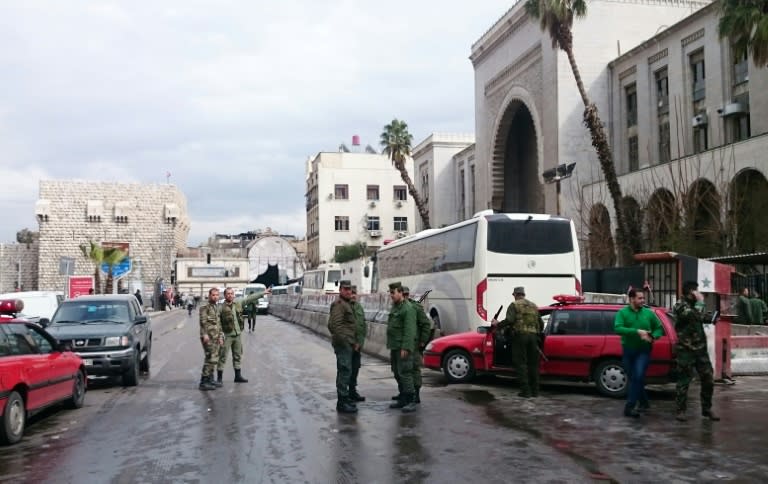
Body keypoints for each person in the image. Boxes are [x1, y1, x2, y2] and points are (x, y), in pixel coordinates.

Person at [673, 281, 719, 422]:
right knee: (684, 381)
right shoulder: (680, 305)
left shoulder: (695, 306)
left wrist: (711, 317)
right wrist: (700, 302)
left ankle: (706, 409)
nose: (699, 293)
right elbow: (691, 316)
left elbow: (699, 317)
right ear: (690, 292)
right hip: (686, 350)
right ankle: (681, 411)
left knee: (708, 379)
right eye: (696, 291)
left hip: (700, 350)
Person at [614, 288, 663, 417]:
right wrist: (637, 331)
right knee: (634, 378)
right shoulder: (622, 313)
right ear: (631, 299)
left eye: (643, 298)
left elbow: (659, 329)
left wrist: (652, 337)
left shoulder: (649, 313)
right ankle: (644, 402)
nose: (643, 300)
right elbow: (618, 328)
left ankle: (629, 407)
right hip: (628, 351)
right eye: (640, 298)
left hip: (644, 351)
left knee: (638, 376)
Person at [492, 286, 544, 398]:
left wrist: (498, 324)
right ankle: (535, 391)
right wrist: (536, 334)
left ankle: (526, 391)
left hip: (520, 337)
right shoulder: (533, 306)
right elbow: (541, 324)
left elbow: (510, 320)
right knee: (533, 365)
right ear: (524, 294)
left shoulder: (514, 305)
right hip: (534, 337)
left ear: (515, 294)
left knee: (521, 364)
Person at [327, 280, 359, 413]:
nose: (348, 291)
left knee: (346, 371)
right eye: (345, 289)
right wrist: (345, 341)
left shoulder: (347, 304)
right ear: (340, 290)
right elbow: (335, 325)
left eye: (349, 289)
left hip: (348, 343)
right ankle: (342, 401)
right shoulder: (339, 305)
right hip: (343, 344)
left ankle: (345, 399)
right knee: (344, 371)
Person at [386, 282, 418, 413]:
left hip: (402, 347)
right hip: (394, 346)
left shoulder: (408, 309)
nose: (391, 295)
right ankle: (403, 398)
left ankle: (411, 400)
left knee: (405, 373)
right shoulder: (395, 307)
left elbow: (409, 331)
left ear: (400, 292)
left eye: (393, 293)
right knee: (397, 372)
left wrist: (406, 347)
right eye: (390, 293)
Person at [403, 286, 432, 405]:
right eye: (402, 294)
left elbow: (426, 324)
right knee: (403, 370)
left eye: (406, 294)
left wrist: (422, 341)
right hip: (403, 344)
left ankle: (416, 394)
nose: (404, 296)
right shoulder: (398, 308)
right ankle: (404, 393)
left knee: (414, 369)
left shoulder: (415, 307)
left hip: (414, 344)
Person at [217, 288, 249, 384]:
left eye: (231, 293)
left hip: (237, 335)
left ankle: (238, 376)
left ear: (234, 295)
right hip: (227, 335)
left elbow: (249, 298)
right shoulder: (221, 307)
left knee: (238, 355)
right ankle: (219, 379)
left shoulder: (237, 304)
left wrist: (263, 293)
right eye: (228, 294)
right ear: (225, 295)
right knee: (223, 356)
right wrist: (220, 336)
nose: (230, 295)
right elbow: (217, 323)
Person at [199, 288, 223, 391]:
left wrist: (221, 336)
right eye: (213, 295)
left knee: (214, 358)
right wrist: (204, 334)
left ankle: (210, 379)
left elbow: (219, 323)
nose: (215, 297)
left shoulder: (216, 307)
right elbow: (203, 321)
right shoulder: (205, 307)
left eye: (217, 295)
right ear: (209, 296)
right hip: (208, 337)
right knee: (210, 358)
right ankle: (203, 381)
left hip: (216, 337)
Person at [349, 285, 367, 403]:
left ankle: (352, 391)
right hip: (348, 346)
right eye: (351, 293)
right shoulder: (344, 307)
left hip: (358, 346)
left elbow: (362, 326)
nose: (353, 295)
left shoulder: (359, 307)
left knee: (355, 369)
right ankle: (345, 395)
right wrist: (352, 343)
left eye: (355, 293)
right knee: (347, 370)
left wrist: (360, 343)